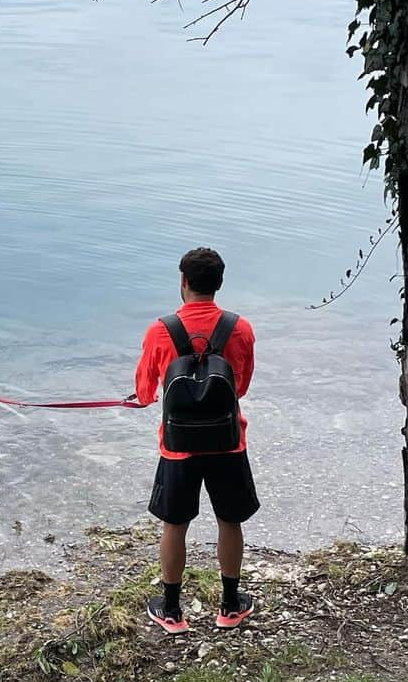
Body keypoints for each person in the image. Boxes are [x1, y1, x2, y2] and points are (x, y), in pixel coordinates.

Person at [134, 247, 259, 633]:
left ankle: (172, 611)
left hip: (178, 447)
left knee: (175, 524)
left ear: (183, 282)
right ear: (219, 284)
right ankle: (230, 606)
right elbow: (243, 385)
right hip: (227, 442)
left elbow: (144, 393)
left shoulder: (160, 330)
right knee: (229, 521)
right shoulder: (240, 329)